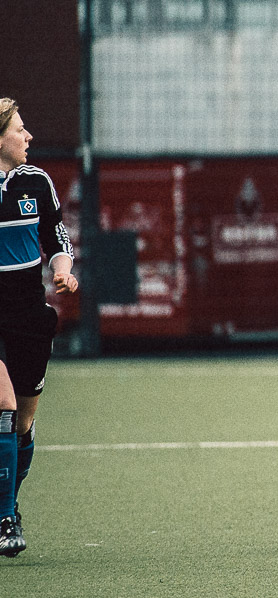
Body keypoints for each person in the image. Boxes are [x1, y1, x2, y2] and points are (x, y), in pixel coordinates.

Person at [0, 98, 80, 557]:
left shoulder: (36, 181)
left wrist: (63, 271)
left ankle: (7, 503)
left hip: (30, 314)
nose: (28, 136)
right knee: (4, 406)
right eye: (19, 129)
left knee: (24, 424)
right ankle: (4, 520)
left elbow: (57, 236)